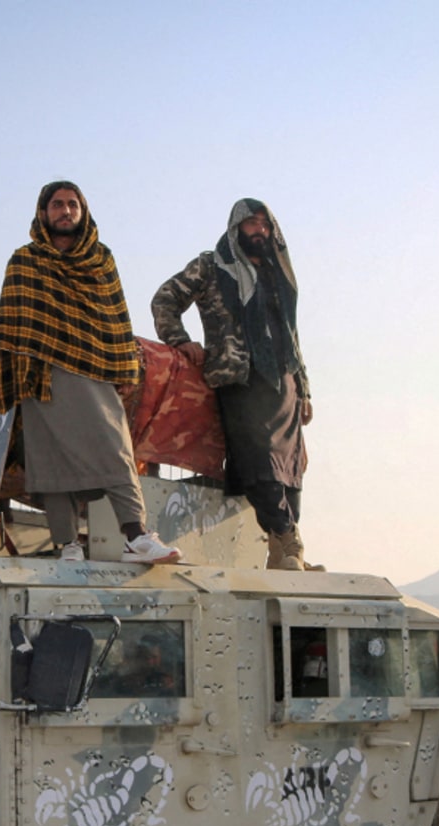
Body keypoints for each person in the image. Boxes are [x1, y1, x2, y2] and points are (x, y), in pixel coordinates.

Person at [0, 180, 181, 565]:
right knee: (50, 462)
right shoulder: (24, 261)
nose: (65, 211)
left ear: (83, 211)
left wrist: (123, 366)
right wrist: (9, 377)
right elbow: (11, 324)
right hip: (41, 376)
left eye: (72, 204)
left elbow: (114, 320)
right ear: (44, 213)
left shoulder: (101, 259)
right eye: (57, 204)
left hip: (92, 369)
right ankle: (67, 545)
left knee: (115, 450)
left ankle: (136, 537)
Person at [151, 198, 321, 571]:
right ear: (236, 228)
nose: (259, 230)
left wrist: (304, 388)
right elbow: (165, 298)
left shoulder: (279, 275)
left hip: (284, 379)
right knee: (259, 461)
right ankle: (289, 537)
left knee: (290, 469)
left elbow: (291, 335)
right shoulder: (212, 266)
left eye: (264, 224)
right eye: (251, 223)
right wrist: (180, 341)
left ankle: (282, 552)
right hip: (239, 376)